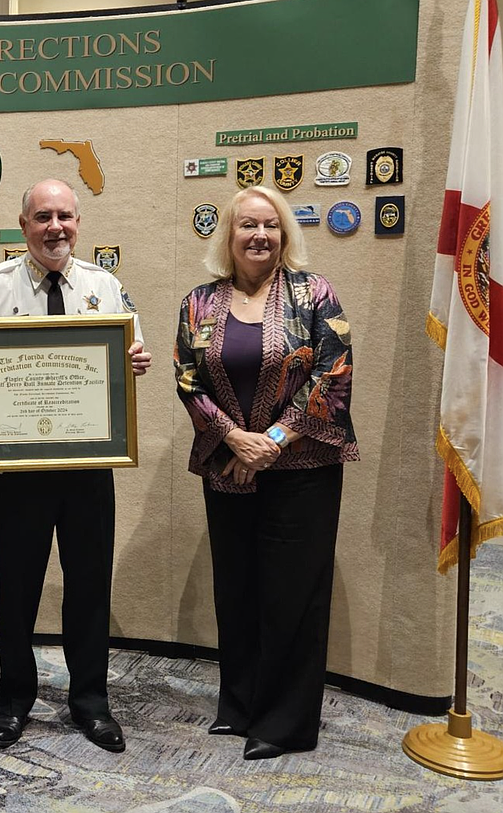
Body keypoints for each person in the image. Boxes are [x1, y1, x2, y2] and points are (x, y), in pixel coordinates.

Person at [0, 179, 152, 752]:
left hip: (89, 466)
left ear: (78, 222)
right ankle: (14, 700)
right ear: (23, 224)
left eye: (65, 216)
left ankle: (91, 700)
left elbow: (133, 349)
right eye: (43, 217)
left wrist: (136, 357)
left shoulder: (103, 286)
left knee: (89, 586)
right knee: (17, 587)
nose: (55, 227)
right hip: (16, 472)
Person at [173, 185, 359, 760]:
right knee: (238, 589)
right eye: (247, 225)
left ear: (285, 234)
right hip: (227, 467)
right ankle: (242, 706)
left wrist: (272, 440)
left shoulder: (315, 293)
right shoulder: (198, 303)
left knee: (293, 595)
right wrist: (231, 436)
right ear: (228, 236)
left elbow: (335, 373)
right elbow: (186, 378)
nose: (260, 236)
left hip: (301, 468)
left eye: (270, 226)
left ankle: (285, 724)